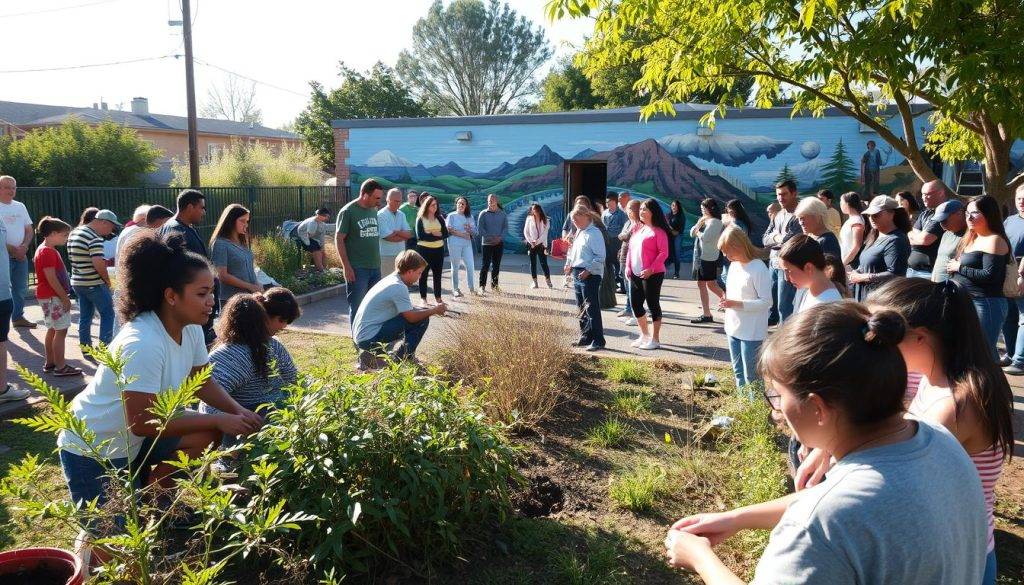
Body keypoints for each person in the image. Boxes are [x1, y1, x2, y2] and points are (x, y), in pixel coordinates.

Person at [665, 302, 988, 585]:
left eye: (777, 395)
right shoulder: (942, 443)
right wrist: (737, 518)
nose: (776, 410)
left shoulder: (817, 526)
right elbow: (851, 508)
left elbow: (828, 513)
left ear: (818, 407)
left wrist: (700, 559)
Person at [57, 233, 263, 538]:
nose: (211, 302)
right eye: (202, 293)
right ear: (171, 296)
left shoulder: (191, 328)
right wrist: (220, 417)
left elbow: (201, 381)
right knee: (114, 547)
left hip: (134, 442)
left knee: (206, 432)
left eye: (212, 292)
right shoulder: (143, 342)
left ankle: (158, 501)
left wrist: (238, 411)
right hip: (94, 449)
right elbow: (142, 422)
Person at [870, 278, 1014, 585]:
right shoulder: (935, 376)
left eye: (883, 337)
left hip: (955, 561)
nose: (873, 347)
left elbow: (888, 485)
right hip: (954, 546)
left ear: (920, 338)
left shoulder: (954, 405)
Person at [202, 290, 299, 416]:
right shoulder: (232, 356)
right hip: (255, 421)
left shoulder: (273, 345)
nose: (284, 326)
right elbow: (210, 403)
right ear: (262, 318)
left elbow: (294, 380)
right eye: (282, 320)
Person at [352, 250, 446, 369]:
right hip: (368, 339)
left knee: (421, 313)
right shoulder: (398, 287)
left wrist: (429, 308)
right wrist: (434, 311)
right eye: (419, 273)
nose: (420, 276)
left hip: (363, 336)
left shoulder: (392, 279)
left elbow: (410, 310)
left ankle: (375, 357)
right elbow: (411, 317)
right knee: (422, 320)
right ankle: (402, 360)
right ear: (410, 271)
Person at [947, 195, 1010, 360]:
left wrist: (959, 267)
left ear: (988, 214)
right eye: (967, 213)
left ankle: (994, 386)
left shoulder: (994, 240)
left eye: (974, 213)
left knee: (984, 355)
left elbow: (989, 275)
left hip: (985, 303)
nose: (969, 217)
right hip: (966, 301)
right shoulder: (971, 237)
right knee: (969, 352)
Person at [717, 226, 771, 394]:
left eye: (727, 251)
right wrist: (727, 300)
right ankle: (743, 407)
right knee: (738, 373)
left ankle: (756, 412)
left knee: (752, 377)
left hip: (752, 331)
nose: (725, 256)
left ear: (738, 246)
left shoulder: (758, 268)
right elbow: (734, 293)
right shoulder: (734, 265)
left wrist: (735, 303)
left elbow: (766, 302)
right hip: (733, 327)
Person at [160, 189, 216, 343]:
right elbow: (180, 268)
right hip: (190, 303)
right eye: (201, 208)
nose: (203, 212)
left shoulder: (185, 227)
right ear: (190, 207)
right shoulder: (175, 229)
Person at [68, 209, 121, 351]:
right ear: (103, 222)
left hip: (78, 281)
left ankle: (85, 347)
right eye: (111, 226)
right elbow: (98, 262)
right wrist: (108, 281)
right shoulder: (94, 238)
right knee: (108, 313)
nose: (111, 231)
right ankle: (105, 349)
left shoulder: (75, 233)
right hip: (94, 283)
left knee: (85, 316)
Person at [335, 178, 383, 333]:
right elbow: (339, 239)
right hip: (357, 269)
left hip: (375, 267)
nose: (379, 201)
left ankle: (371, 339)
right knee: (357, 307)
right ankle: (359, 343)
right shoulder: (348, 211)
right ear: (365, 195)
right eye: (376, 197)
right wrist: (346, 267)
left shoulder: (373, 209)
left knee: (374, 306)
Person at [34, 217, 80, 377]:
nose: (66, 238)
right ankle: (60, 367)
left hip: (47, 296)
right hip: (53, 297)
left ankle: (51, 362)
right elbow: (51, 278)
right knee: (61, 330)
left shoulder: (43, 249)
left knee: (52, 329)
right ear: (53, 233)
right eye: (64, 235)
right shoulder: (48, 251)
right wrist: (65, 298)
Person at [848, 195, 911, 301]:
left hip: (881, 300)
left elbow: (896, 274)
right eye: (869, 215)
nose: (871, 218)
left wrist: (863, 277)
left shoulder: (896, 240)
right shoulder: (874, 236)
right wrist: (857, 272)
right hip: (866, 296)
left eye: (876, 214)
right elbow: (868, 264)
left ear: (892, 214)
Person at [626, 199, 670, 350]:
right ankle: (644, 335)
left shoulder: (659, 232)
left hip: (653, 274)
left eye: (645, 209)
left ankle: (655, 339)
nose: (641, 212)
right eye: (641, 209)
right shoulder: (638, 229)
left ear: (653, 212)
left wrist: (651, 268)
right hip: (635, 273)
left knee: (653, 304)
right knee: (636, 305)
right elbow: (631, 250)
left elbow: (664, 253)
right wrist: (628, 267)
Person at [564, 206, 606, 352]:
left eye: (576, 219)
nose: (574, 222)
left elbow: (600, 257)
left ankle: (598, 340)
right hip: (577, 271)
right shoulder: (579, 232)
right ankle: (586, 336)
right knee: (581, 308)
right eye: (573, 220)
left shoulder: (594, 233)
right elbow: (573, 252)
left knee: (591, 308)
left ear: (585, 216)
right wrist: (569, 264)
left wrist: (588, 270)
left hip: (590, 274)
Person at [763, 180, 802, 322]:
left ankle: (785, 337)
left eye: (784, 194)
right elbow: (765, 239)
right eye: (778, 194)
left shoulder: (799, 215)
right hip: (773, 263)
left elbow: (789, 241)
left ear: (794, 193)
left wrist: (775, 238)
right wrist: (777, 237)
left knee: (784, 306)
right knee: (771, 302)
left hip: (787, 266)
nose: (780, 198)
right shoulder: (778, 215)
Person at [0, 176, 35, 329]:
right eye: (7, 187)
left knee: (21, 288)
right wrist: (12, 249)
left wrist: (24, 246)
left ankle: (18, 317)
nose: (11, 190)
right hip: (3, 256)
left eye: (14, 187)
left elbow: (29, 229)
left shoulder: (20, 206)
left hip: (21, 255)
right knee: (2, 289)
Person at [210, 204, 260, 303]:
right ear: (230, 221)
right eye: (242, 221)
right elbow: (222, 275)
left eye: (247, 221)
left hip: (250, 297)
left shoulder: (242, 242)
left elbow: (249, 268)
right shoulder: (220, 244)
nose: (246, 224)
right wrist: (250, 286)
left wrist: (258, 285)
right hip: (232, 300)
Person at [781, 235, 843, 314]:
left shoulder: (827, 304)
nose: (786, 278)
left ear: (808, 268)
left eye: (788, 271)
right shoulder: (811, 291)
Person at [690, 198, 725, 324]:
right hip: (699, 256)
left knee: (710, 284)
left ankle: (728, 301)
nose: (702, 211)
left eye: (704, 208)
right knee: (702, 284)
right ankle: (707, 313)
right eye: (701, 208)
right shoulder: (705, 220)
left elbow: (705, 238)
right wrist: (699, 224)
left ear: (710, 208)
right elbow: (691, 233)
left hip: (708, 257)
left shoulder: (715, 222)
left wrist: (698, 231)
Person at [906, 180, 950, 278]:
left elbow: (925, 240)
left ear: (941, 193)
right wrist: (917, 236)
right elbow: (909, 234)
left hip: (928, 273)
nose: (923, 198)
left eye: (927, 194)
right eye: (922, 194)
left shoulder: (945, 213)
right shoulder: (925, 213)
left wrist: (916, 237)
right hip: (911, 270)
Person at [1003, 184, 1024, 373]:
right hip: (1007, 272)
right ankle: (1010, 354)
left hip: (1021, 274)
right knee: (1008, 316)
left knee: (1023, 317)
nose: (1022, 202)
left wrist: (1021, 275)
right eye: (1019, 199)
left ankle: (1020, 360)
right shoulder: (1009, 220)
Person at [414, 195, 448, 305]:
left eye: (436, 205)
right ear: (427, 206)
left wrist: (431, 234)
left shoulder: (440, 218)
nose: (435, 207)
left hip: (438, 250)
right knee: (423, 275)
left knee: (437, 275)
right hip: (424, 250)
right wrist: (436, 234)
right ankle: (423, 298)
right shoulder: (420, 218)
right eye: (432, 205)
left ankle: (438, 298)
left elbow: (446, 234)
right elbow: (421, 236)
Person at [617, 199, 642, 326]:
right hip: (623, 256)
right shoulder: (628, 222)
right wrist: (623, 236)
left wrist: (624, 235)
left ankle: (635, 313)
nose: (627, 211)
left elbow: (625, 236)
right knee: (626, 285)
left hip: (632, 258)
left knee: (633, 287)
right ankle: (628, 308)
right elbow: (622, 235)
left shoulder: (639, 224)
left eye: (629, 209)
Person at [446, 196, 477, 297]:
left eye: (463, 203)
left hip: (467, 245)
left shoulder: (470, 217)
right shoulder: (451, 216)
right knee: (455, 267)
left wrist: (469, 230)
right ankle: (455, 289)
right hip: (454, 244)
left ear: (466, 206)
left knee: (470, 266)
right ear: (456, 204)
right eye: (459, 203)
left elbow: (475, 232)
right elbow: (449, 230)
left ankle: (471, 288)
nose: (461, 205)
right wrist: (463, 235)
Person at [477, 194, 507, 293]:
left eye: (493, 199)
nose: (491, 201)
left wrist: (500, 238)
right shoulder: (483, 213)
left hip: (499, 243)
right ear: (487, 201)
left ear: (497, 201)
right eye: (489, 200)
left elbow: (505, 228)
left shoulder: (502, 214)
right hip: (486, 244)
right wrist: (490, 238)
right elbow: (480, 229)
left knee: (496, 266)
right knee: (485, 265)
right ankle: (482, 286)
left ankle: (495, 287)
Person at [378, 189, 412, 276]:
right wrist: (402, 234)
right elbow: (388, 237)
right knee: (386, 283)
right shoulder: (381, 215)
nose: (398, 203)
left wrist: (396, 232)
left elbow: (409, 234)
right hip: (386, 255)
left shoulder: (401, 214)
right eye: (396, 201)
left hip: (401, 254)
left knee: (400, 281)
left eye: (400, 201)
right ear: (388, 200)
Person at [931, 199, 966, 283]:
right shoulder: (946, 234)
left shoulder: (969, 236)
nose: (941, 225)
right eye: (939, 221)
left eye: (944, 220)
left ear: (959, 214)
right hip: (936, 285)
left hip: (952, 288)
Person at [293, 207, 332, 272]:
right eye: (326, 216)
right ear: (319, 215)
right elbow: (309, 235)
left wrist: (322, 246)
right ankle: (321, 269)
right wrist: (315, 245)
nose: (327, 218)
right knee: (317, 250)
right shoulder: (313, 223)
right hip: (302, 238)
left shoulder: (322, 223)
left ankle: (324, 269)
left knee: (322, 251)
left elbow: (321, 236)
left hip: (312, 238)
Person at [602, 192, 628, 291]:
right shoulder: (605, 213)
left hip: (617, 241)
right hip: (607, 241)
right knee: (607, 263)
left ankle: (622, 286)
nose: (607, 203)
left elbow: (625, 227)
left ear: (615, 202)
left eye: (609, 202)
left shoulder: (621, 214)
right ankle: (611, 284)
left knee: (618, 263)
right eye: (606, 202)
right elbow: (603, 226)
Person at [523, 203, 552, 289]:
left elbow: (545, 234)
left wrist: (537, 241)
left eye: (536, 209)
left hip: (541, 244)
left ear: (539, 210)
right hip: (531, 244)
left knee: (544, 263)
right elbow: (526, 231)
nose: (534, 211)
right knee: (533, 263)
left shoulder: (546, 220)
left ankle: (548, 280)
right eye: (533, 209)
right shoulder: (529, 218)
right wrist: (531, 242)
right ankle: (535, 282)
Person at [838, 191, 866, 267]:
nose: (840, 205)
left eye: (841, 202)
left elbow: (856, 246)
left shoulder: (856, 221)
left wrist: (843, 263)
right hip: (848, 262)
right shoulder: (854, 219)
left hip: (851, 264)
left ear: (847, 204)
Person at [666, 199, 686, 279]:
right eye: (672, 205)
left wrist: (669, 227)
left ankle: (676, 273)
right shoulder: (668, 215)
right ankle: (663, 270)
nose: (673, 207)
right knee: (666, 253)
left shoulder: (681, 216)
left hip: (677, 236)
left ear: (678, 207)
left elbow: (677, 232)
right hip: (669, 236)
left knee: (677, 255)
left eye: (675, 205)